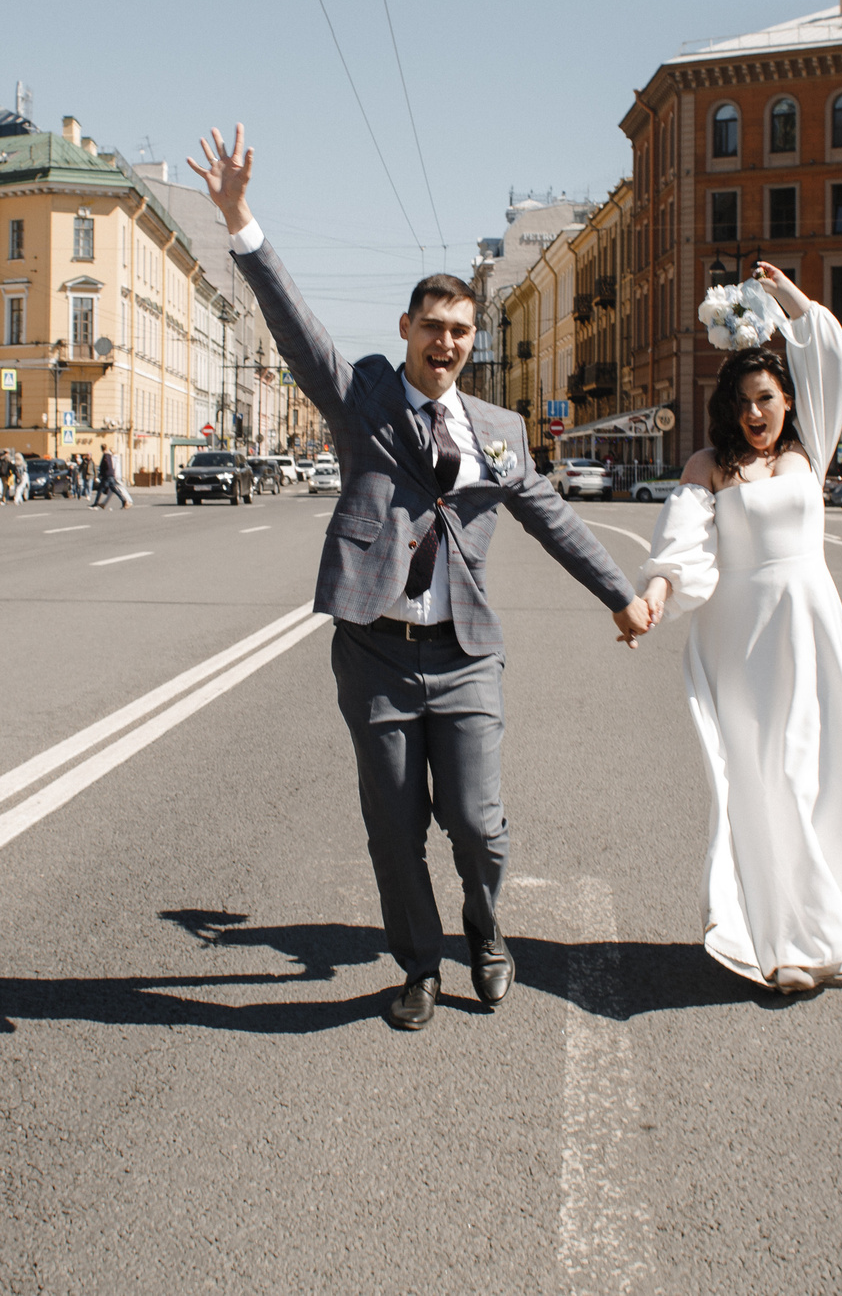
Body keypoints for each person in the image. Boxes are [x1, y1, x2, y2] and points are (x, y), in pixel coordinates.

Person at [190, 123, 646, 1033]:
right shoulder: (363, 395)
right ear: (405, 329)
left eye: (461, 331)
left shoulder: (500, 430)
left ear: (474, 339)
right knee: (394, 833)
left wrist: (621, 594)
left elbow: (551, 515)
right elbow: (294, 327)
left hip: (467, 654)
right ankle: (416, 965)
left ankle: (483, 927)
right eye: (432, 327)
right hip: (377, 653)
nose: (446, 343)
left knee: (477, 823)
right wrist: (241, 220)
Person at [627, 262, 842, 995]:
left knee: (806, 772)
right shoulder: (710, 465)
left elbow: (834, 358)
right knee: (758, 780)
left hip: (810, 631)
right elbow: (681, 544)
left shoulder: (806, 453)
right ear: (728, 407)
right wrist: (654, 596)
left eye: (768, 398)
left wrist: (789, 301)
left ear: (789, 400)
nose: (756, 413)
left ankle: (819, 930)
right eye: (745, 402)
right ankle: (784, 939)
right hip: (738, 640)